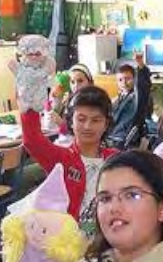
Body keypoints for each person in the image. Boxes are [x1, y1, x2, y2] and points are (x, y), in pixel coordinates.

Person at [21, 86, 118, 233]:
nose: (87, 126)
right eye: (81, 119)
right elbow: (31, 140)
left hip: (108, 236)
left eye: (96, 120)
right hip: (68, 240)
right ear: (70, 121)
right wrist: (30, 96)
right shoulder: (61, 159)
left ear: (106, 124)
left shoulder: (116, 159)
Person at [108, 54, 152, 146]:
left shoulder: (137, 96)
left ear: (135, 79)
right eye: (120, 80)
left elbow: (144, 86)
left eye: (128, 79)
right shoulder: (118, 98)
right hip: (112, 136)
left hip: (125, 139)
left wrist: (141, 65)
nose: (124, 82)